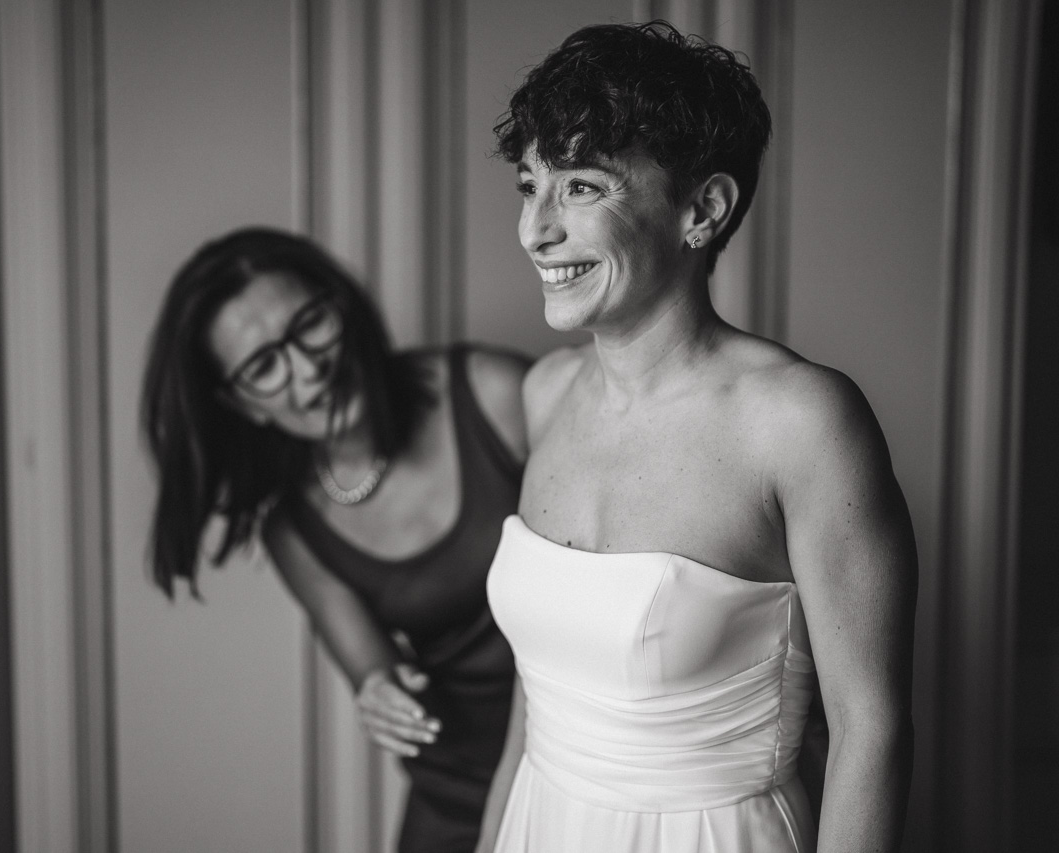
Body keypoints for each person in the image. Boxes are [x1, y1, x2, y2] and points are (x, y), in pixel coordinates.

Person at [477, 22, 917, 853]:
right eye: (531, 185)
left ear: (702, 210)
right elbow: (532, 701)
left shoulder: (801, 422)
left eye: (581, 187)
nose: (536, 229)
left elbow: (872, 730)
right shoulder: (546, 394)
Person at [140, 227, 529, 853]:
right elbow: (376, 671)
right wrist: (379, 694)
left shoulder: (493, 393)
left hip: (583, 767)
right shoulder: (295, 531)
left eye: (310, 325)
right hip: (456, 798)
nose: (308, 368)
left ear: (342, 305)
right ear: (242, 404)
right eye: (263, 366)